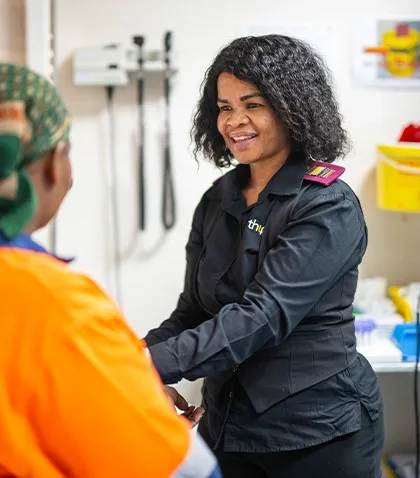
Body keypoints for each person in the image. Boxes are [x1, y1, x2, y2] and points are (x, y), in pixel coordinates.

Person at [144, 35, 384, 478]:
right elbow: (194, 310)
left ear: (291, 107)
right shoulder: (218, 199)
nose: (235, 121)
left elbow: (263, 315)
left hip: (317, 433)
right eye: (224, 107)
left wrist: (151, 366)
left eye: (253, 105)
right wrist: (134, 361)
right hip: (226, 426)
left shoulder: (326, 205)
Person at [0, 62, 221, 478]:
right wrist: (142, 401)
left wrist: (135, 369)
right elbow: (178, 469)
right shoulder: (52, 302)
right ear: (53, 166)